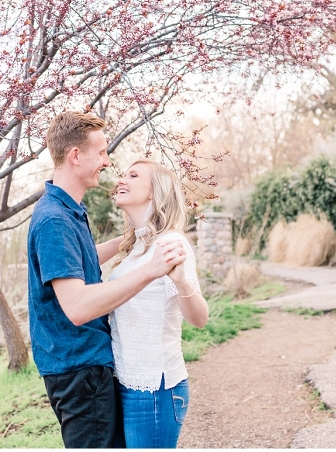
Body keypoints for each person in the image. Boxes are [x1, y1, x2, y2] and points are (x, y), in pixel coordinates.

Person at [27, 112, 187, 449]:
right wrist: (150, 269)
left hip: (81, 367)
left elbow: (78, 259)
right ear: (75, 156)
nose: (106, 161)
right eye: (101, 152)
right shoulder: (55, 220)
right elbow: (78, 307)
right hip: (80, 369)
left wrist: (131, 240)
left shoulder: (67, 210)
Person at [109, 159, 210, 449]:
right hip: (126, 383)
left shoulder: (170, 243)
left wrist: (180, 282)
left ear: (154, 191)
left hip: (155, 389)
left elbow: (199, 318)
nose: (121, 180)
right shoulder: (134, 248)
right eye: (123, 174)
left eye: (134, 175)